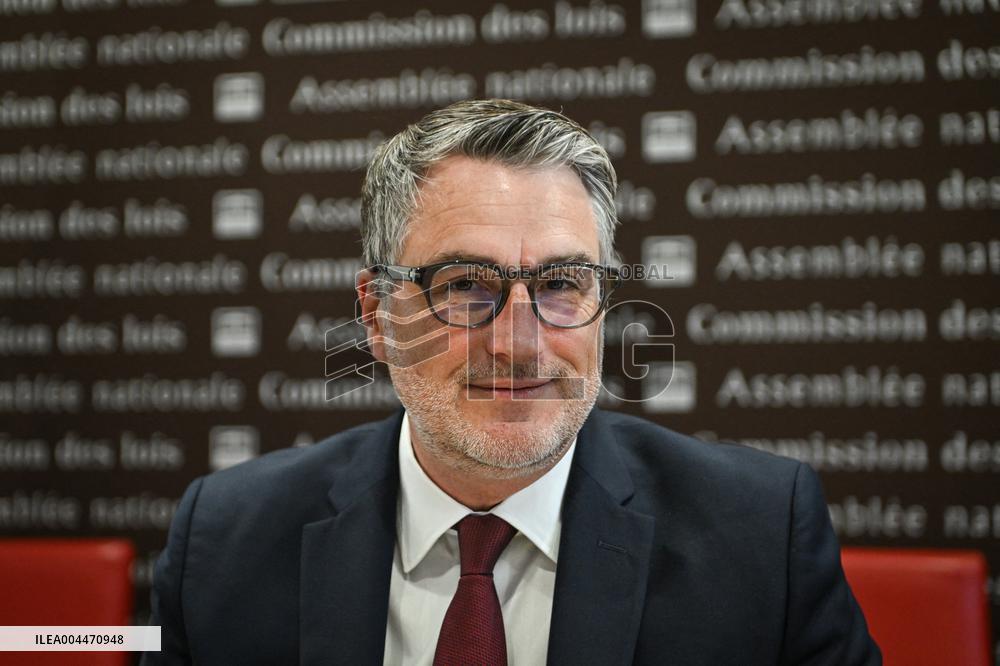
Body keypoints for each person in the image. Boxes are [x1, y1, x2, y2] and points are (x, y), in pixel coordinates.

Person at [143, 99, 880, 665]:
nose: (518, 344)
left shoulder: (763, 540)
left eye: (561, 283)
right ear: (375, 315)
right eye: (464, 285)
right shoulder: (226, 540)